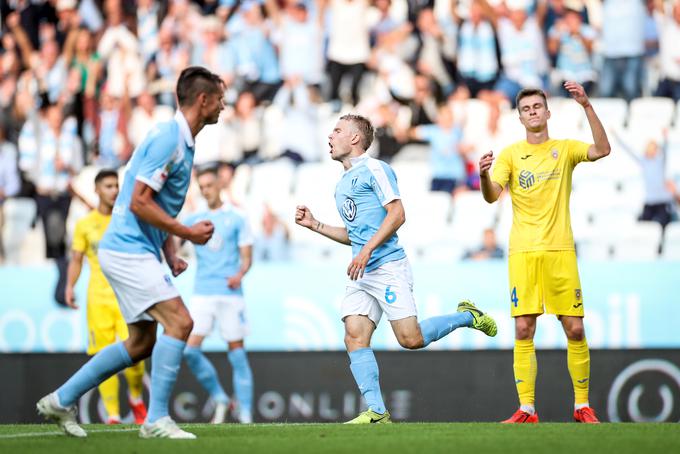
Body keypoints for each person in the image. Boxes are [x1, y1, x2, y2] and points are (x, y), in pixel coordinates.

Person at [37, 66, 224, 439]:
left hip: (138, 249)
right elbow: (139, 202)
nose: (224, 105)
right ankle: (155, 420)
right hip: (127, 249)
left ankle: (60, 400)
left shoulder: (182, 140)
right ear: (203, 100)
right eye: (220, 98)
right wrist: (185, 232)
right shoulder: (168, 138)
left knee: (141, 343)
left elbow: (159, 206)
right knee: (181, 323)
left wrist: (169, 251)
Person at [295, 114, 497, 424]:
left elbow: (398, 213)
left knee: (410, 339)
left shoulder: (375, 169)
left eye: (337, 131)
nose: (330, 136)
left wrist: (367, 250)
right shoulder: (342, 183)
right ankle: (377, 411)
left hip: (388, 265)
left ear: (354, 139)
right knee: (354, 336)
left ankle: (467, 316)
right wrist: (316, 225)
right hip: (362, 272)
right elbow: (355, 234)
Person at [478, 82, 611, 424]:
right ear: (520, 117)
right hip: (523, 252)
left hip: (560, 251)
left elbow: (602, 149)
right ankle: (527, 409)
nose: (533, 112)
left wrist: (586, 105)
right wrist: (482, 175)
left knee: (575, 329)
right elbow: (492, 195)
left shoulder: (565, 149)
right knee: (523, 328)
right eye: (526, 108)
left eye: (538, 106)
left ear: (548, 112)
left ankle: (582, 405)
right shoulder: (510, 154)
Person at [64, 169, 148, 425]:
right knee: (102, 356)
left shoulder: (126, 219)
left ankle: (135, 397)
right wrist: (69, 286)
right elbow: (77, 259)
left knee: (135, 353)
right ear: (97, 189)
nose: (113, 191)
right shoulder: (84, 224)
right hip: (97, 300)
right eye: (108, 186)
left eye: (116, 186)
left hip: (126, 298)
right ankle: (112, 414)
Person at [182, 167, 255, 424]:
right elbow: (174, 242)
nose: (205, 190)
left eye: (209, 185)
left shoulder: (237, 217)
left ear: (220, 185)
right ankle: (221, 397)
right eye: (201, 187)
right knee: (190, 351)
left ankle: (244, 411)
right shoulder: (194, 218)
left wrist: (239, 274)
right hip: (202, 292)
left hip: (230, 293)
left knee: (237, 352)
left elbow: (247, 258)